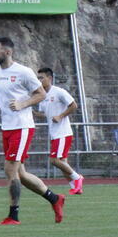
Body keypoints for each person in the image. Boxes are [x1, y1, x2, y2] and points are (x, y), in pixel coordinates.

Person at [0, 37, 65, 225]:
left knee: (9, 169)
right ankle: (55, 199)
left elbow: (41, 94)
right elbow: (3, 93)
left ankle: (13, 216)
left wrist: (23, 104)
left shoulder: (23, 72)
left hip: (22, 126)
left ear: (8, 52)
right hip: (7, 126)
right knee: (21, 175)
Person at [36, 67, 84, 195]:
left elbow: (74, 105)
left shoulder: (59, 92)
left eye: (41, 78)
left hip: (63, 133)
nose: (39, 80)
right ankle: (76, 187)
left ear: (50, 78)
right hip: (54, 134)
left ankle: (77, 178)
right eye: (38, 78)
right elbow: (44, 114)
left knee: (54, 160)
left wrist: (60, 116)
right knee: (62, 163)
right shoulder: (41, 95)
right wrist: (29, 111)